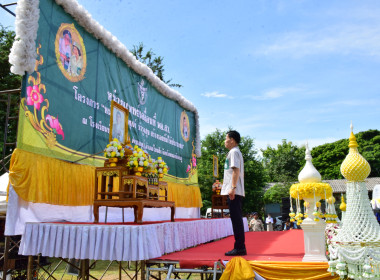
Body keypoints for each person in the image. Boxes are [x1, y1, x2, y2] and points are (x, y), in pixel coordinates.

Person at [221, 130, 246, 256]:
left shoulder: (234, 152)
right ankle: (240, 246)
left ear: (232, 140)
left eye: (226, 138)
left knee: (236, 220)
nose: (225, 141)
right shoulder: (235, 152)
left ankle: (240, 247)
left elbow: (236, 171)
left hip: (234, 191)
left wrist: (233, 187)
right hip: (235, 190)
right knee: (236, 219)